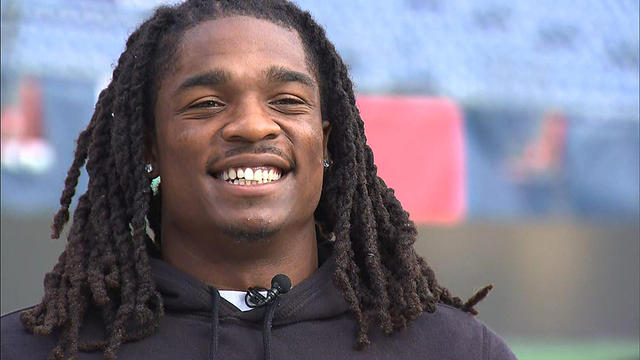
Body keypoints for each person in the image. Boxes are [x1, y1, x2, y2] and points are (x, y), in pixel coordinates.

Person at [1, 1, 516, 359]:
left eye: (288, 102)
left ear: (327, 143)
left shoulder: (456, 352)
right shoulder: (31, 351)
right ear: (149, 149)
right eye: (206, 104)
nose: (252, 125)